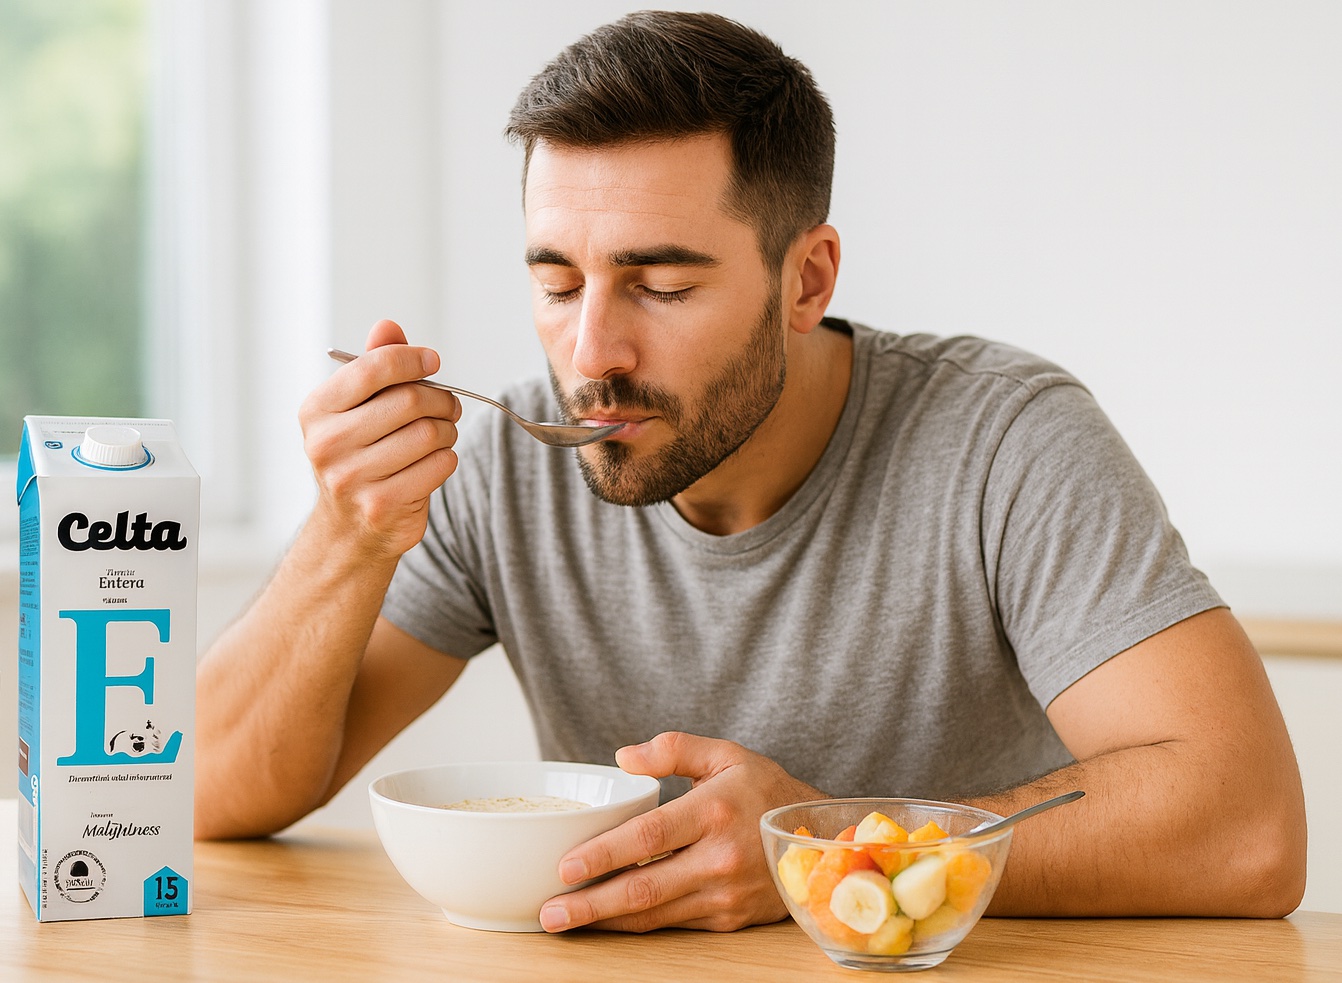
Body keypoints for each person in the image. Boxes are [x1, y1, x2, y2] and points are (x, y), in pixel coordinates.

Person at [195, 11, 1306, 931]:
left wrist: (828, 854)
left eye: (662, 286)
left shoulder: (1003, 440)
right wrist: (346, 537)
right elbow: (203, 791)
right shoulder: (505, 466)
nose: (590, 354)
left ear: (805, 278)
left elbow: (1247, 825)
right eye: (555, 280)